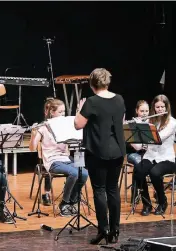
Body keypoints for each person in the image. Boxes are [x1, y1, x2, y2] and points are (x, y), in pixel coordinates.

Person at [74, 68, 126, 245]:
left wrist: (79, 109)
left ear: (92, 83)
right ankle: (115, 230)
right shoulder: (119, 99)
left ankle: (103, 229)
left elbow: (78, 125)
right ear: (107, 82)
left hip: (98, 152)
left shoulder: (91, 102)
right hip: (118, 150)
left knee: (100, 190)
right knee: (113, 189)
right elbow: (120, 120)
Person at [30, 98, 89, 216]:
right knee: (74, 173)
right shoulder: (44, 127)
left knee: (84, 172)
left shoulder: (65, 126)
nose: (63, 115)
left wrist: (79, 114)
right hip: (53, 161)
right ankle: (64, 203)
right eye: (60, 112)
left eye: (64, 112)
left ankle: (72, 201)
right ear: (52, 113)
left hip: (65, 158)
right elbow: (32, 148)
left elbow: (76, 140)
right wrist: (33, 134)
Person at [132, 95, 176, 216]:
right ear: (154, 108)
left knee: (154, 172)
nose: (160, 109)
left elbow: (158, 138)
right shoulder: (151, 121)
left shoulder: (172, 123)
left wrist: (144, 126)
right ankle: (147, 203)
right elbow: (139, 145)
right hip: (150, 156)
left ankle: (162, 201)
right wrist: (135, 128)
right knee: (138, 171)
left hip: (167, 159)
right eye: (157, 107)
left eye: (163, 106)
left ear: (167, 107)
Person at [126, 100, 150, 166]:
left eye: (146, 111)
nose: (144, 114)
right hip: (134, 153)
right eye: (142, 111)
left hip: (149, 153)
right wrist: (139, 126)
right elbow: (137, 147)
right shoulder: (130, 124)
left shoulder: (151, 124)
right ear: (137, 111)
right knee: (142, 164)